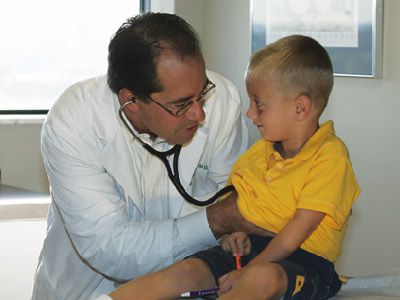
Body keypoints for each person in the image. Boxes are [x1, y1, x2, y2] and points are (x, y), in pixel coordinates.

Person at [103, 35, 361, 300]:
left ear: (300, 108)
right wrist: (232, 235)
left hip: (306, 262)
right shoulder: (259, 153)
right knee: (185, 271)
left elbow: (297, 231)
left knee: (262, 279)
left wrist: (254, 267)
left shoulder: (330, 157)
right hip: (252, 249)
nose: (250, 114)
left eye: (259, 104)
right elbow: (239, 204)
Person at [31, 12, 262, 300]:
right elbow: (112, 249)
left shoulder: (223, 102)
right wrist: (217, 220)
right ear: (131, 101)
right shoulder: (74, 123)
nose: (199, 113)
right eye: (181, 104)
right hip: (86, 290)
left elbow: (229, 201)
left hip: (181, 285)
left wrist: (228, 222)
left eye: (201, 93)